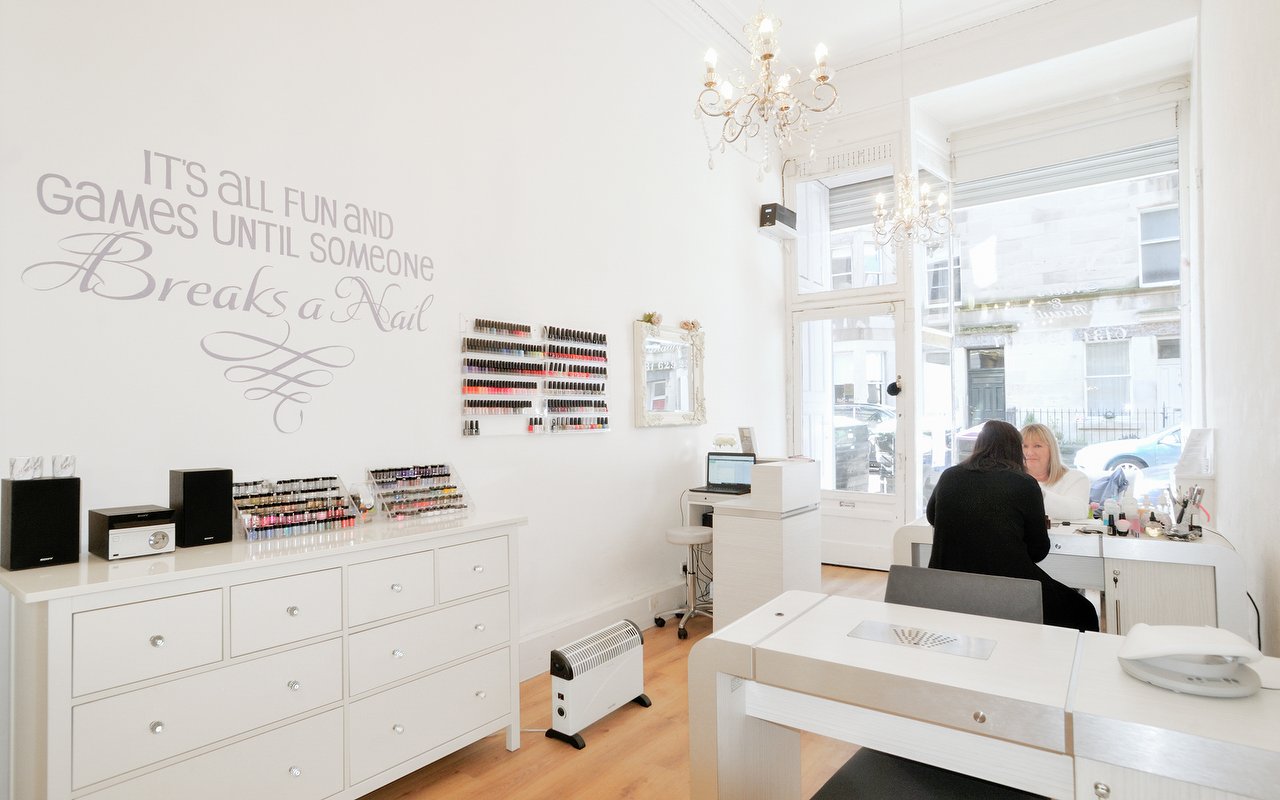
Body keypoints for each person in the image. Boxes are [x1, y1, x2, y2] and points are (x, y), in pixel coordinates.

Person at [926, 420, 1099, 632]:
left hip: (946, 587)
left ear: (978, 445)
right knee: (1083, 611)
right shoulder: (1024, 483)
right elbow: (1038, 550)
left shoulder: (949, 476)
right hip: (1008, 591)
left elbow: (932, 517)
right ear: (1015, 449)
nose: (1029, 452)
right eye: (1024, 446)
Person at [1021, 423, 1091, 521]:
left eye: (1037, 446)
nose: (1030, 452)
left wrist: (1036, 493)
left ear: (1051, 450)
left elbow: (1079, 511)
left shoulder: (1076, 478)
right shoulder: (1010, 481)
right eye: (1024, 446)